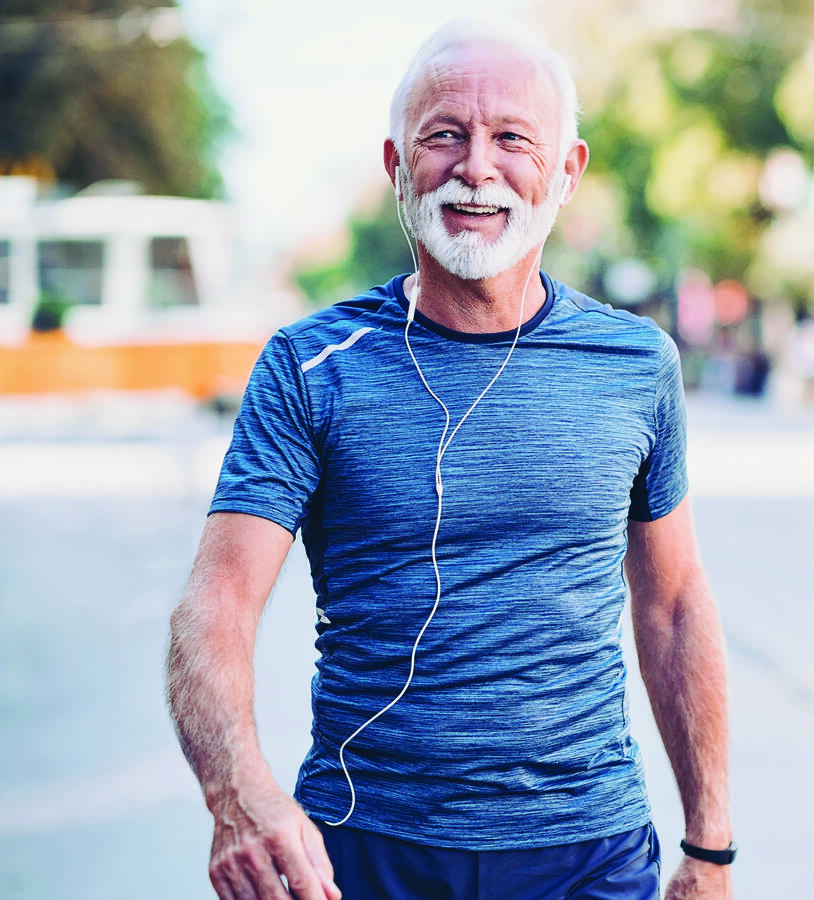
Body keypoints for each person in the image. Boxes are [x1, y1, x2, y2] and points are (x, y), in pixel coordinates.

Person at [165, 19, 733, 900]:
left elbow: (674, 606)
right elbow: (218, 603)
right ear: (396, 165)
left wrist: (711, 845)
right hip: (363, 848)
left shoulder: (636, 363)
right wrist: (236, 798)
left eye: (513, 138)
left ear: (568, 171)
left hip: (587, 853)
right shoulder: (309, 364)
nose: (478, 166)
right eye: (445, 135)